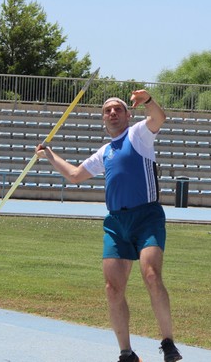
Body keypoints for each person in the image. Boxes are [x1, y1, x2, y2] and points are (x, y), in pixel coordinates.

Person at [35, 91, 182, 362]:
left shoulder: (139, 135)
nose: (112, 113)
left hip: (146, 217)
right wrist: (49, 154)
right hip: (116, 223)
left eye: (118, 109)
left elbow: (159, 118)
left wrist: (149, 100)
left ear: (128, 115)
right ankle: (126, 352)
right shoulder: (105, 152)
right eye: (107, 110)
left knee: (151, 276)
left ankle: (168, 342)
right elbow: (75, 175)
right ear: (103, 119)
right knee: (112, 289)